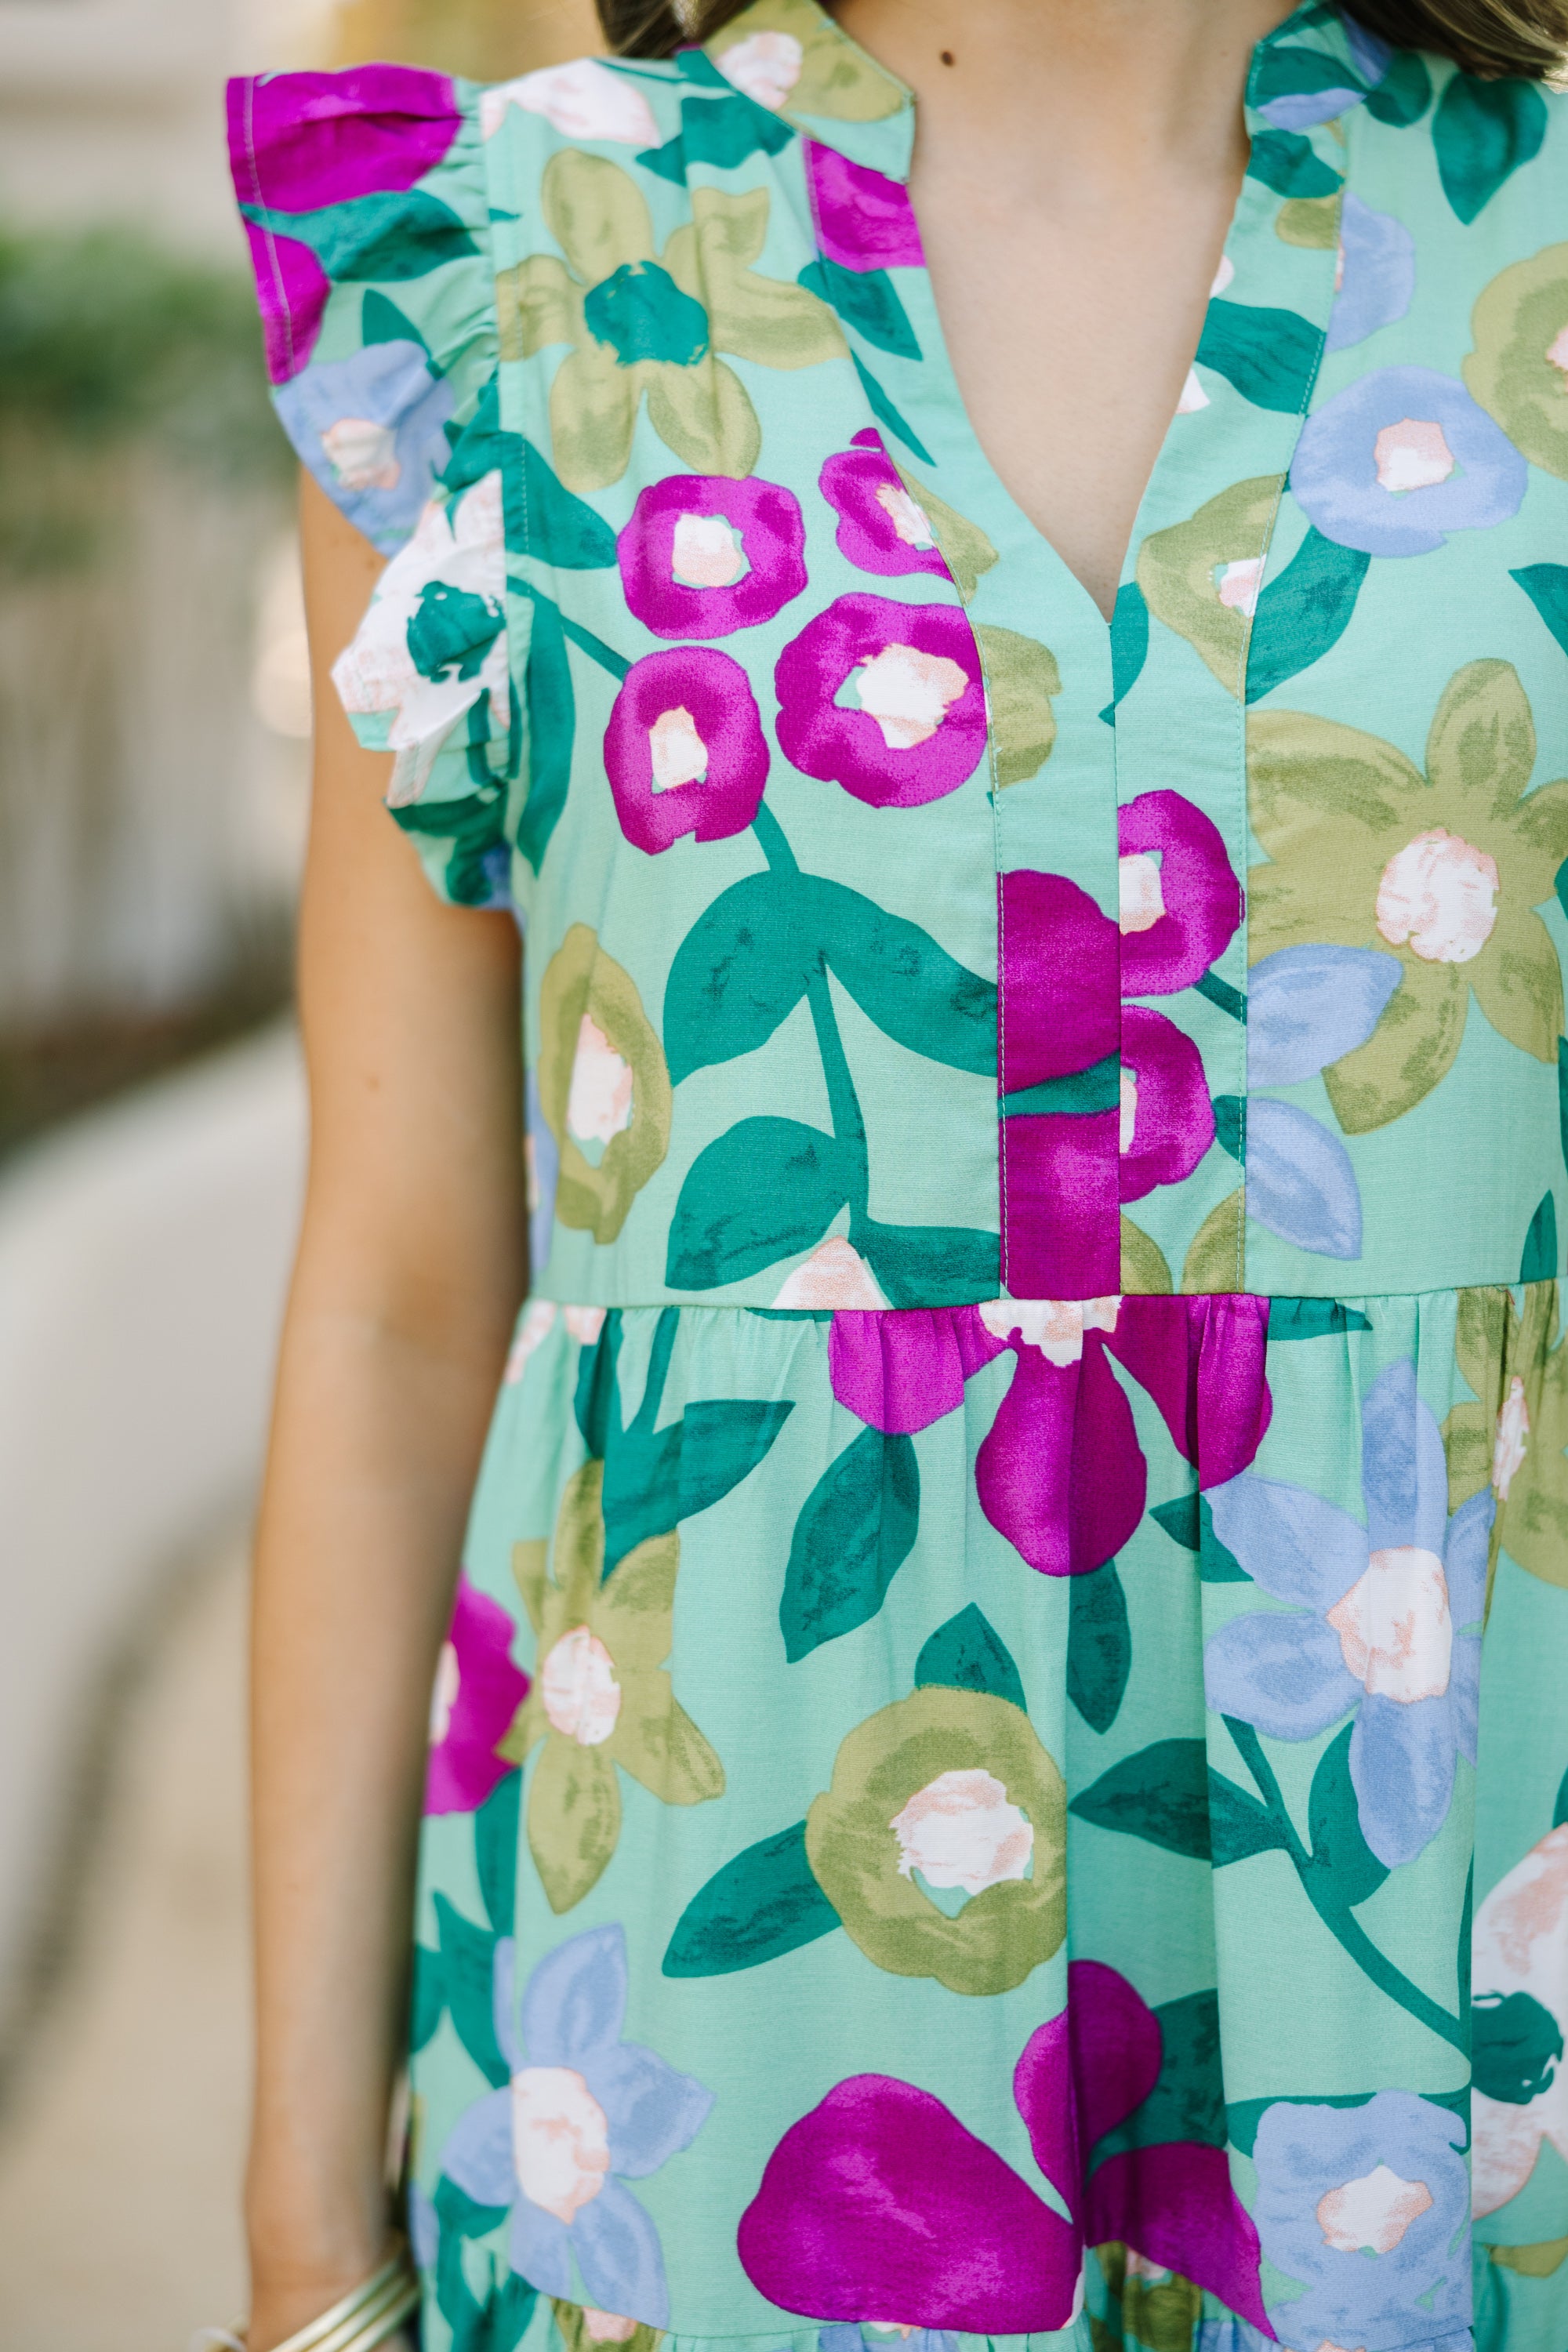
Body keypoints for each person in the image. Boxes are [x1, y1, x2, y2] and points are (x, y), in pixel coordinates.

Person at [222, 2, 1568, 2348]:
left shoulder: (1540, 234)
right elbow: (399, 1297)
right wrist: (298, 2240)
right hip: (705, 2048)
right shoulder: (503, 271)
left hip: (1474, 2020)